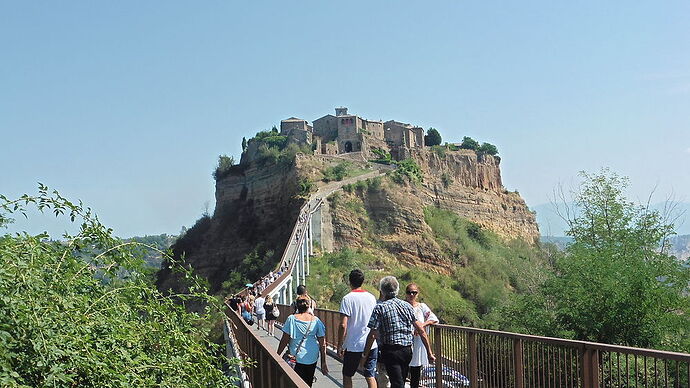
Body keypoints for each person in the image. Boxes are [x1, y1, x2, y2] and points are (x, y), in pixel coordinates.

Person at [361, 276, 435, 388]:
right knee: (400, 381)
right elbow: (421, 330)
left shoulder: (380, 308)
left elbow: (372, 334)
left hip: (390, 351)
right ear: (398, 290)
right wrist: (429, 352)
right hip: (407, 351)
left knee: (397, 383)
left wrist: (365, 354)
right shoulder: (406, 306)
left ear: (382, 291)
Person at [337, 269, 378, 388]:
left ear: (349, 282)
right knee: (370, 374)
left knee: (347, 374)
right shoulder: (371, 297)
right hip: (371, 343)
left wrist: (340, 345)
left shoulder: (347, 299)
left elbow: (343, 325)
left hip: (353, 345)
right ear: (362, 281)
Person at [277, 297, 328, 387]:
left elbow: (284, 339)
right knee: (308, 382)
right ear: (308, 306)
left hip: (296, 357)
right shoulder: (315, 320)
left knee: (295, 382)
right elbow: (322, 343)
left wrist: (277, 355)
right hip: (312, 356)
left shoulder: (291, 319)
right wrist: (323, 362)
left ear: (296, 306)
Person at [404, 283, 439, 388]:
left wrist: (421, 326)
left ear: (417, 294)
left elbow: (433, 318)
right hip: (405, 341)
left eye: (414, 292)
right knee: (403, 371)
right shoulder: (402, 305)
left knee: (415, 372)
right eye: (409, 292)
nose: (411, 295)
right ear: (405, 293)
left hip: (418, 343)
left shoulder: (422, 306)